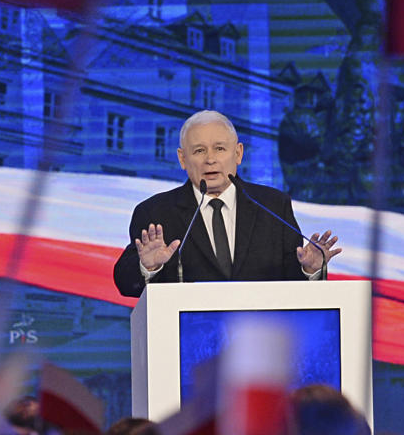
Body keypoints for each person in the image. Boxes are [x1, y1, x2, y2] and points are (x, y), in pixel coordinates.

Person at [113, 110, 341, 297]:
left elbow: (294, 285)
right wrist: (149, 268)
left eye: (219, 149)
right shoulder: (156, 212)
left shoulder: (272, 206)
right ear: (183, 159)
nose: (210, 159)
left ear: (238, 153)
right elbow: (125, 282)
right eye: (199, 150)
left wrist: (310, 269)